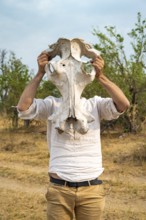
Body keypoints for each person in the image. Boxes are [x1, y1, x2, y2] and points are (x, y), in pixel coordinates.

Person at [17, 51, 130, 220]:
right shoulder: (51, 104)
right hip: (59, 188)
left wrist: (101, 76)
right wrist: (40, 73)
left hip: (91, 189)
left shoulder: (96, 104)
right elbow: (23, 108)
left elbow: (123, 104)